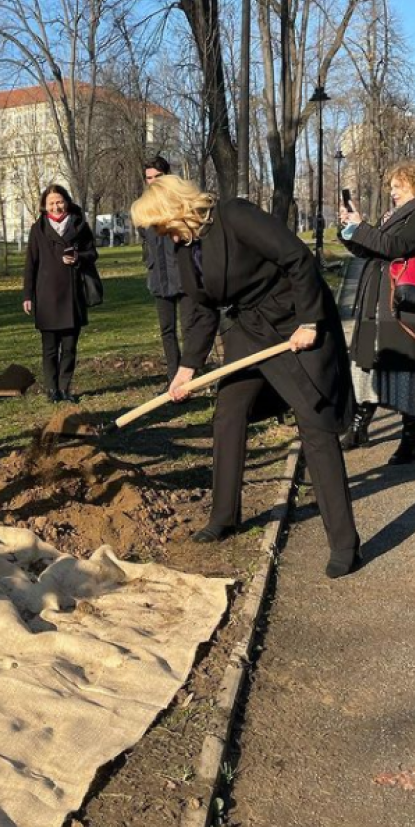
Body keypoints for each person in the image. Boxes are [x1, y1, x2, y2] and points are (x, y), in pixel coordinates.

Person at [131, 175, 360, 578]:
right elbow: (201, 310)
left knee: (315, 423)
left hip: (295, 322)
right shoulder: (185, 247)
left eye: (158, 224)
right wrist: (186, 369)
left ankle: (344, 543)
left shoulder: (234, 215)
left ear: (175, 210)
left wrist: (309, 321)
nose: (158, 234)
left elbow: (297, 258)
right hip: (249, 330)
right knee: (229, 412)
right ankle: (224, 516)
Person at [338, 161, 415, 464]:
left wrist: (363, 228)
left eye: (399, 186)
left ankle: (410, 440)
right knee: (366, 364)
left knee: (406, 369)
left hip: (406, 305)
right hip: (377, 301)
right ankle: (359, 427)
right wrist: (350, 228)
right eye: (392, 187)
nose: (393, 192)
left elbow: (398, 247)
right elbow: (369, 249)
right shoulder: (395, 214)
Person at [22, 183, 97, 403]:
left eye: (59, 202)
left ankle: (65, 388)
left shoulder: (79, 225)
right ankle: (52, 390)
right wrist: (27, 295)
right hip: (46, 296)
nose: (56, 207)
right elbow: (30, 264)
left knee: (70, 347)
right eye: (51, 203)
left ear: (67, 202)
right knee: (50, 349)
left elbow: (93, 254)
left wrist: (78, 257)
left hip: (73, 295)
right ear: (44, 206)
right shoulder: (38, 229)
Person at [141, 156, 184, 382]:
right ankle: (173, 377)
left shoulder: (180, 202)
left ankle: (191, 373)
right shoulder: (143, 209)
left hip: (183, 275)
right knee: (167, 330)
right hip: (159, 277)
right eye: (150, 178)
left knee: (191, 328)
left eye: (158, 176)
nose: (154, 181)